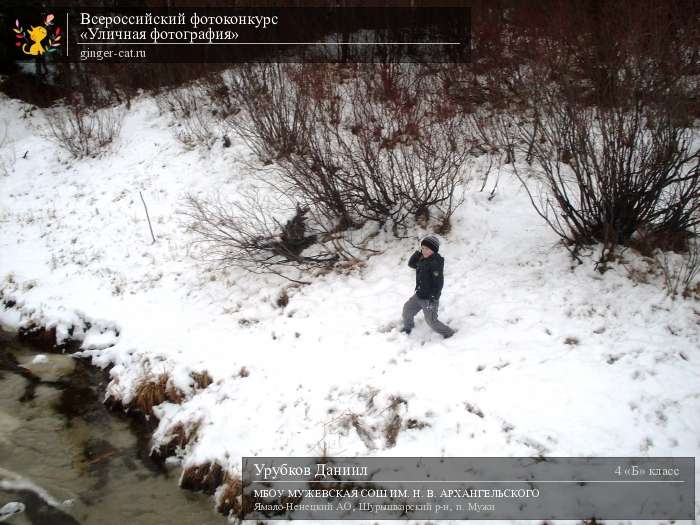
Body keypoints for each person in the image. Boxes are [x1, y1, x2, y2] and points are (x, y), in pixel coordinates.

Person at [401, 235, 455, 339]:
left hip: (429, 299)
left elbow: (439, 283)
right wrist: (418, 253)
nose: (424, 251)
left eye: (427, 249)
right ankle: (408, 327)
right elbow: (411, 264)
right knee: (407, 310)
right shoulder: (423, 259)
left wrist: (433, 298)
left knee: (431, 322)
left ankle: (449, 333)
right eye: (422, 248)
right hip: (419, 295)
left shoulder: (435, 263)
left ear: (434, 250)